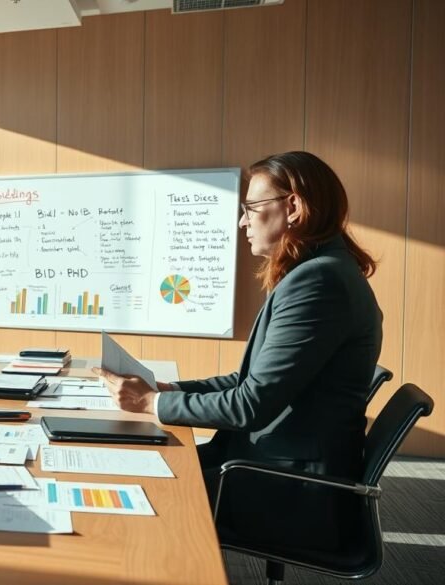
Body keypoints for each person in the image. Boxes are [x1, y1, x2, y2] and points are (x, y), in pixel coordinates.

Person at [95, 151, 382, 548]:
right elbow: (248, 381)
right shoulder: (322, 272)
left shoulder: (318, 283)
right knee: (141, 462)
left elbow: (250, 405)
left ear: (293, 207)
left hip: (286, 489)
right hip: (271, 467)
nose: (243, 222)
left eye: (250, 208)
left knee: (136, 484)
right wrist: (170, 390)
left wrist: (150, 403)